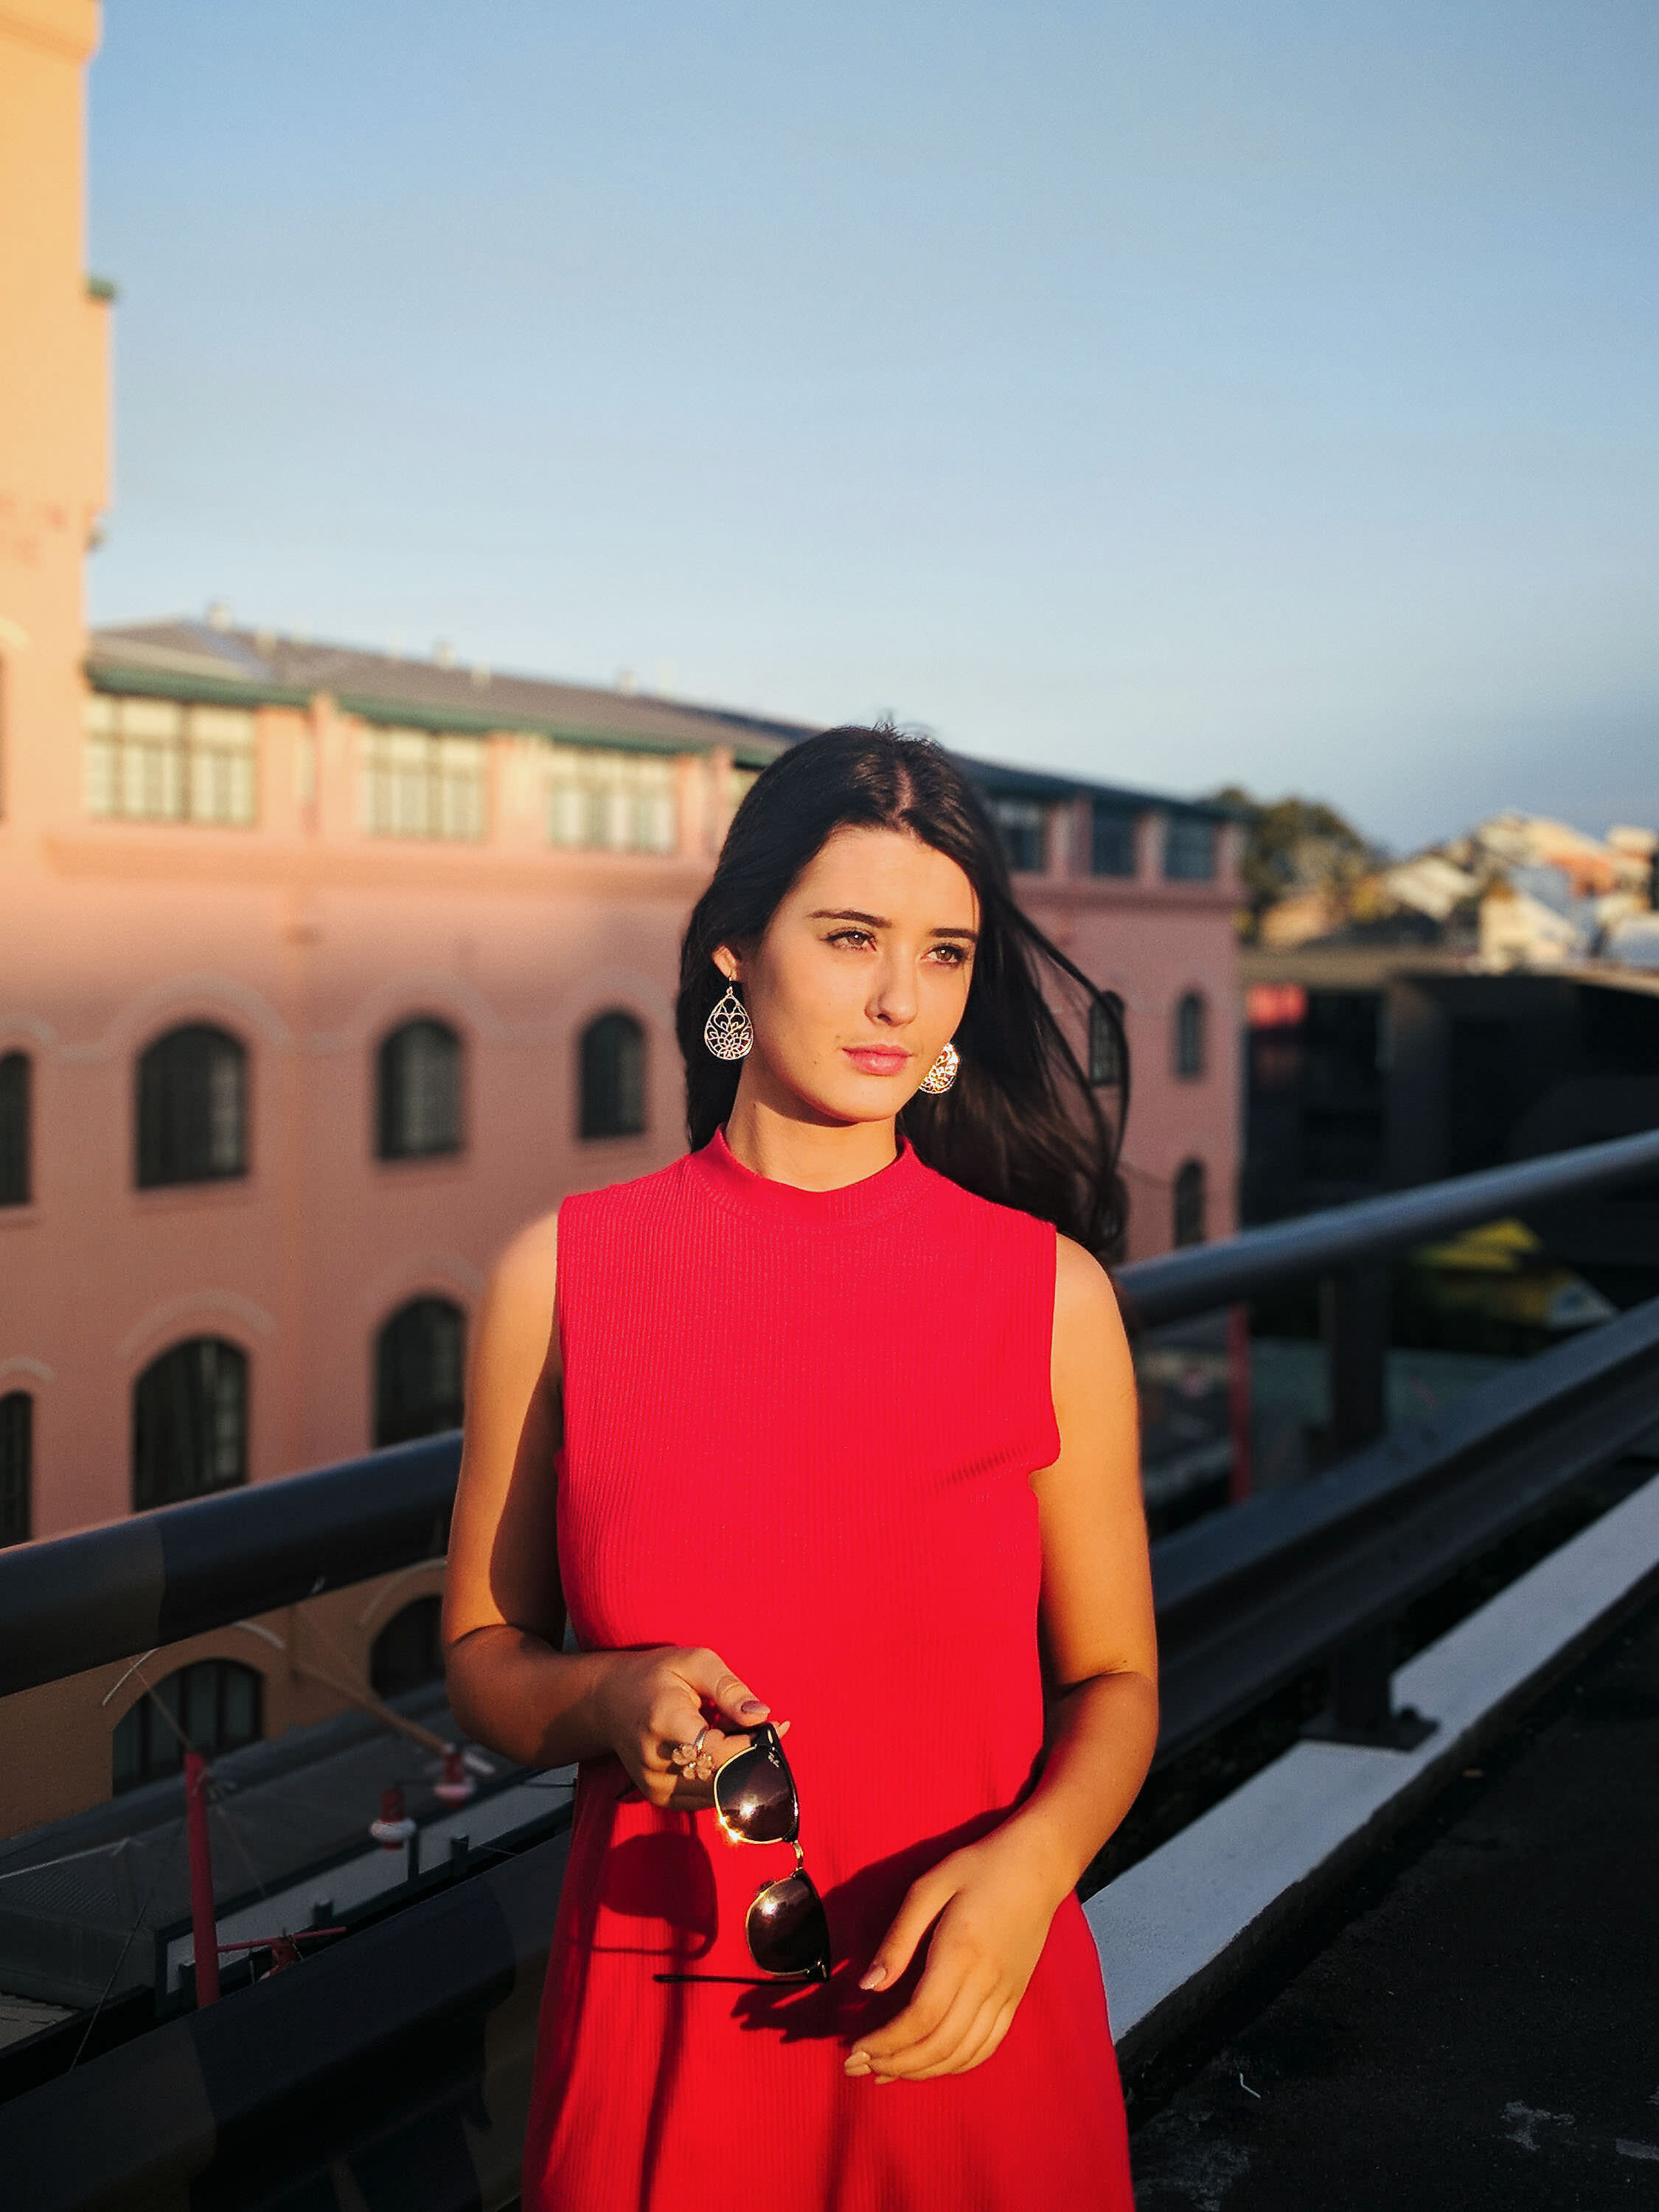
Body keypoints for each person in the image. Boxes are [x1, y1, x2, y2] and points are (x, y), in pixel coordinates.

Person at [444, 727, 1157, 2210]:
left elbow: (1115, 1680)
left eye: (945, 953)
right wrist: (609, 1697)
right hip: (665, 2022)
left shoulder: (1050, 1296)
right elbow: (483, 1660)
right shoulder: (560, 1277)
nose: (901, 997)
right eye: (850, 937)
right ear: (734, 948)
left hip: (965, 2008)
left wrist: (1032, 1872)